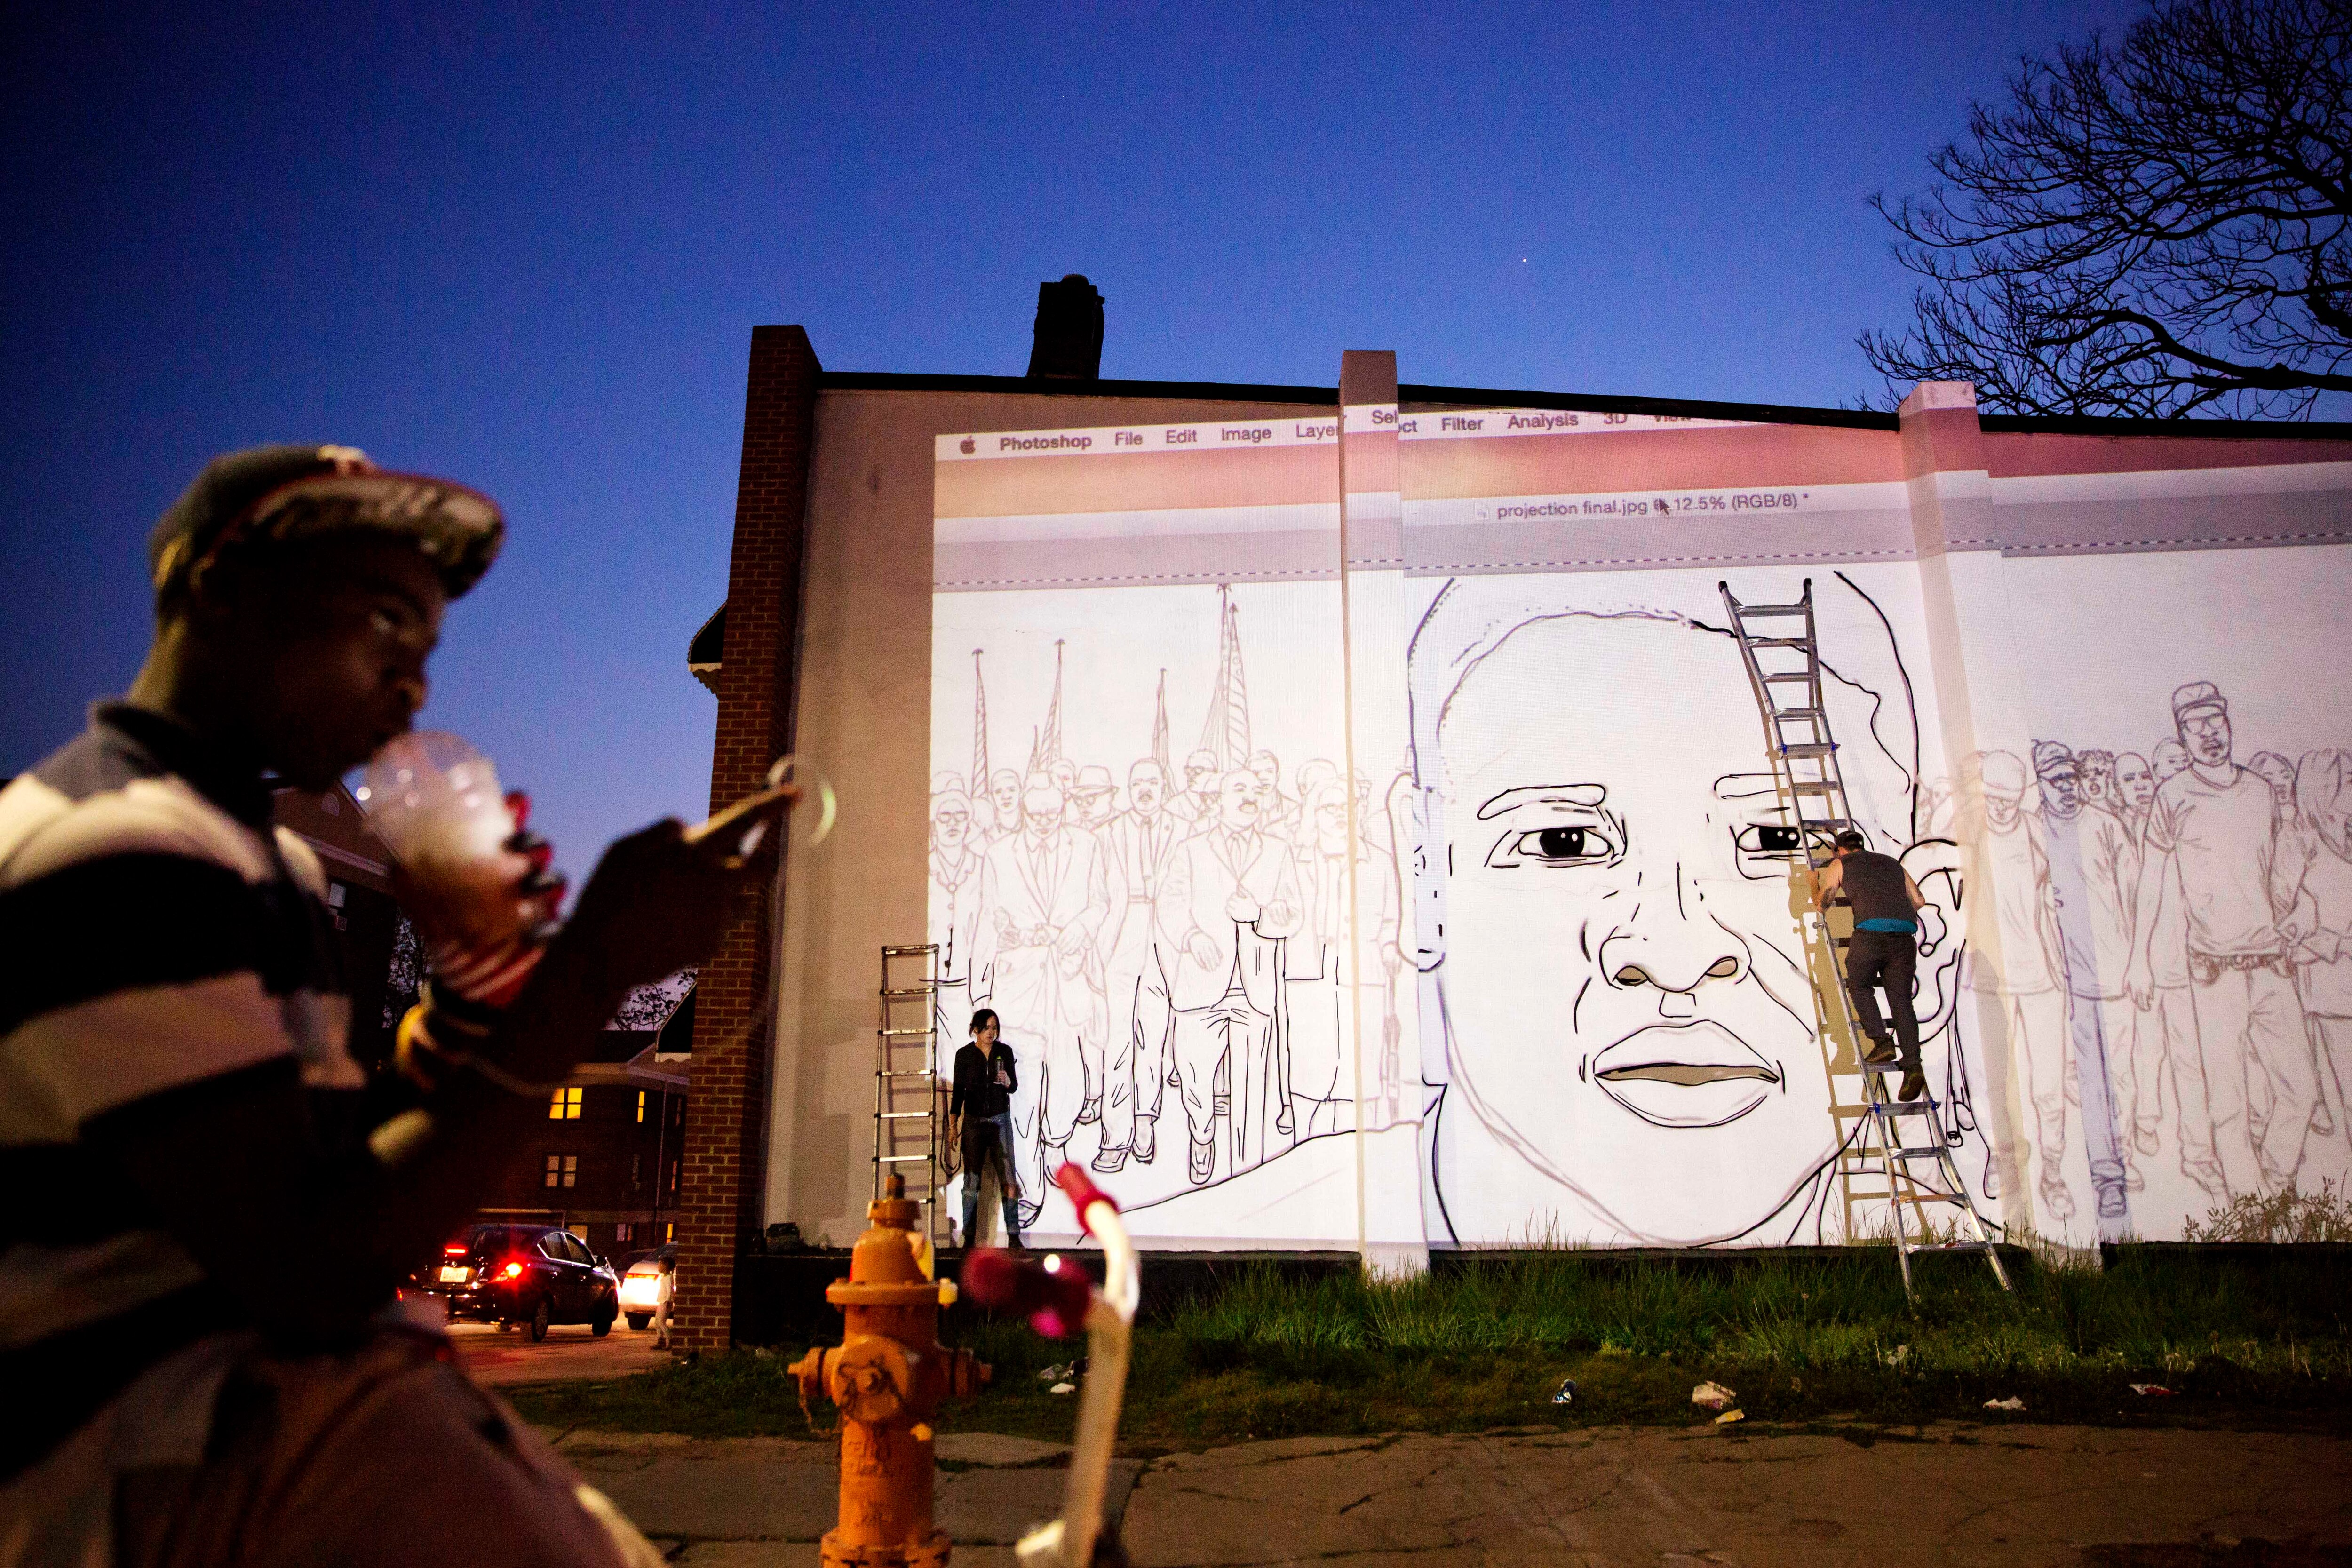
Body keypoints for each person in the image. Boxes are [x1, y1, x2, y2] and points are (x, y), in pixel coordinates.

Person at [0, 445, 778, 1565]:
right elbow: (313, 1270)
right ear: (219, 589)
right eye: (379, 621)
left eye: (425, 641)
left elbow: (346, 1169)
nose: (412, 677)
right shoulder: (119, 854)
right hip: (131, 1470)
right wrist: (586, 975)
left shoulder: (266, 862)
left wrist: (470, 997)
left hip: (255, 1436)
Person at [2125, 682, 2313, 1192]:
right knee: (2226, 1100)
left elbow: (2278, 875)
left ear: (2228, 724)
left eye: (2216, 722)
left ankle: (2273, 1178)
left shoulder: (2258, 791)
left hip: (2272, 965)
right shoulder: (2172, 796)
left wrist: (2295, 920)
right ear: (2181, 735)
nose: (2209, 734)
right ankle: (2251, 1205)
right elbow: (2151, 881)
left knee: (2300, 1089)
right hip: (2214, 973)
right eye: (2195, 726)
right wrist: (2139, 961)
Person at [969, 772, 1110, 1215]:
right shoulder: (998, 854)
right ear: (1025, 812)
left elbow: (1101, 903)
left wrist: (1077, 930)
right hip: (1019, 986)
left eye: (1053, 813)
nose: (1046, 821)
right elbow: (987, 919)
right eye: (1037, 814)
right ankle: (1025, 1183)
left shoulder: (1086, 846)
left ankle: (1056, 1148)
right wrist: (981, 989)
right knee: (1021, 1090)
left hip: (1066, 981)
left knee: (1067, 1085)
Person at [1155, 769, 1303, 1186]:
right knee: (1196, 1079)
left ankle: (1247, 1167)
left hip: (1254, 988)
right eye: (1239, 789)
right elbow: (1168, 904)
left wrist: (1260, 913)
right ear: (1218, 799)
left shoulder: (1277, 851)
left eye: (1256, 790)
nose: (1250, 795)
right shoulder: (1190, 850)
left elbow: (1294, 911)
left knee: (1252, 1088)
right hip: (1201, 986)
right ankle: (1202, 1133)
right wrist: (1190, 935)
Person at [2032, 741, 2134, 1226]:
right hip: (2061, 983)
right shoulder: (2032, 833)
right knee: (2071, 1086)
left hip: (2111, 976)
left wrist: (2138, 963)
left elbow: (2136, 896)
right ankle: (2095, 1178)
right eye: (2056, 781)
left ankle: (2116, 1172)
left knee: (2121, 1078)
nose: (2067, 788)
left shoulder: (2104, 825)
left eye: (2070, 778)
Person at [1813, 829, 1931, 1103]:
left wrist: (1812, 884)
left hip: (1870, 937)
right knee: (1902, 1002)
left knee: (1860, 985)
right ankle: (1913, 1065)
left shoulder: (1840, 864)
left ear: (1838, 850)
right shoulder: (1892, 862)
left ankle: (1881, 1043)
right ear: (1862, 847)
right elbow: (1919, 901)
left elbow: (1825, 902)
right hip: (1904, 939)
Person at [948, 1009, 1025, 1248]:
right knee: (972, 1181)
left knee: (1008, 1178)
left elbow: (1013, 1088)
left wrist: (1007, 1081)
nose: (992, 1033)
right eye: (987, 1028)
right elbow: (958, 1093)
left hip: (999, 1119)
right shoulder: (964, 1055)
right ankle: (968, 1237)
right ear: (976, 1030)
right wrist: (953, 1125)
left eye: (995, 1028)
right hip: (973, 1122)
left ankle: (1014, 1235)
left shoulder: (1005, 1052)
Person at [651, 1254, 677, 1350]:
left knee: (661, 1322)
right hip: (662, 1302)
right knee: (657, 1322)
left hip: (665, 1303)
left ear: (666, 1266)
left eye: (660, 1265)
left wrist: (669, 1300)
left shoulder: (669, 1278)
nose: (659, 1266)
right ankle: (661, 1341)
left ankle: (670, 1341)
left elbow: (670, 1290)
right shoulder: (664, 1277)